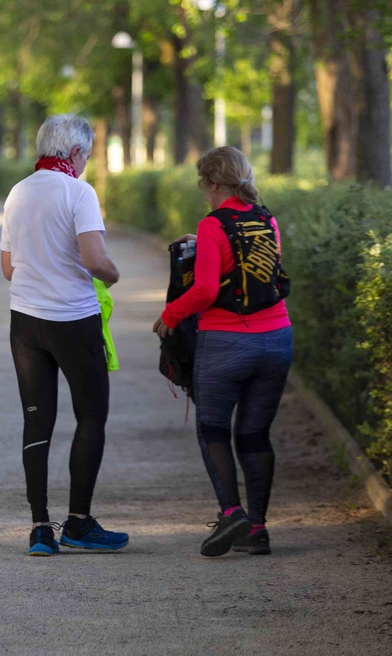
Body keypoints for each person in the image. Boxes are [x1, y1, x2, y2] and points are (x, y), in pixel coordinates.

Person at [154, 146, 292, 557]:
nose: (205, 194)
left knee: (212, 428)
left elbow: (206, 290)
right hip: (278, 337)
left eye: (204, 186)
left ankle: (232, 512)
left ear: (214, 183)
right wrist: (204, 243)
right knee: (254, 432)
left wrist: (170, 316)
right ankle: (259, 529)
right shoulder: (267, 218)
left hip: (228, 341)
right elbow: (254, 265)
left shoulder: (215, 223)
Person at [1, 113, 128, 556]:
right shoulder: (79, 191)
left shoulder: (18, 192)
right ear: (74, 153)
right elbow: (95, 261)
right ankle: (78, 522)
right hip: (73, 320)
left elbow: (7, 268)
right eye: (88, 156)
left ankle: (39, 528)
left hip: (25, 323)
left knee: (37, 419)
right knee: (91, 416)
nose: (87, 164)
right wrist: (112, 274)